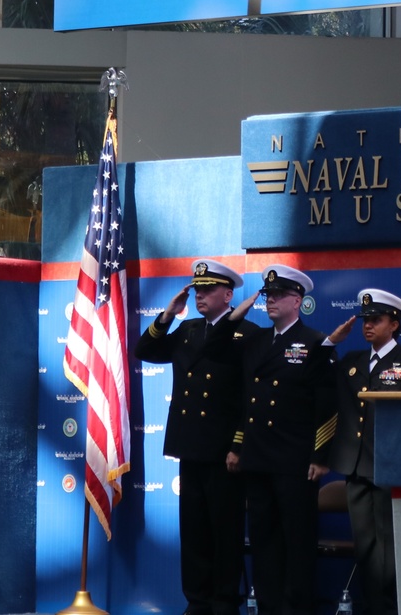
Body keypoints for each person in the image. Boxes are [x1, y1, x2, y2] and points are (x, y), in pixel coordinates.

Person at [134, 258, 260, 615]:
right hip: (190, 445)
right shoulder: (188, 329)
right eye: (198, 290)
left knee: (224, 531)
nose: (201, 295)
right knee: (194, 531)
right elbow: (145, 351)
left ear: (228, 294)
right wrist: (167, 315)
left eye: (208, 290)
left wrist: (238, 443)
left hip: (223, 450)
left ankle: (223, 602)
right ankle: (197, 602)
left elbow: (247, 397)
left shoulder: (247, 335)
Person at [226, 264, 337, 615]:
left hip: (294, 460)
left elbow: (327, 405)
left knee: (296, 542)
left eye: (277, 296)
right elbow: (247, 400)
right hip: (258, 458)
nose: (269, 301)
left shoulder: (316, 342)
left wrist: (320, 455)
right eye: (267, 295)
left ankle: (296, 609)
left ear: (297, 300)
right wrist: (239, 445)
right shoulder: (256, 341)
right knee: (264, 542)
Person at [327, 289, 401, 615]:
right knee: (366, 549)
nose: (367, 325)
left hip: (390, 468)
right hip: (355, 467)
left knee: (389, 549)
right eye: (365, 320)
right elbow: (317, 374)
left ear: (394, 323)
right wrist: (331, 342)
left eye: (376, 319)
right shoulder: (352, 361)